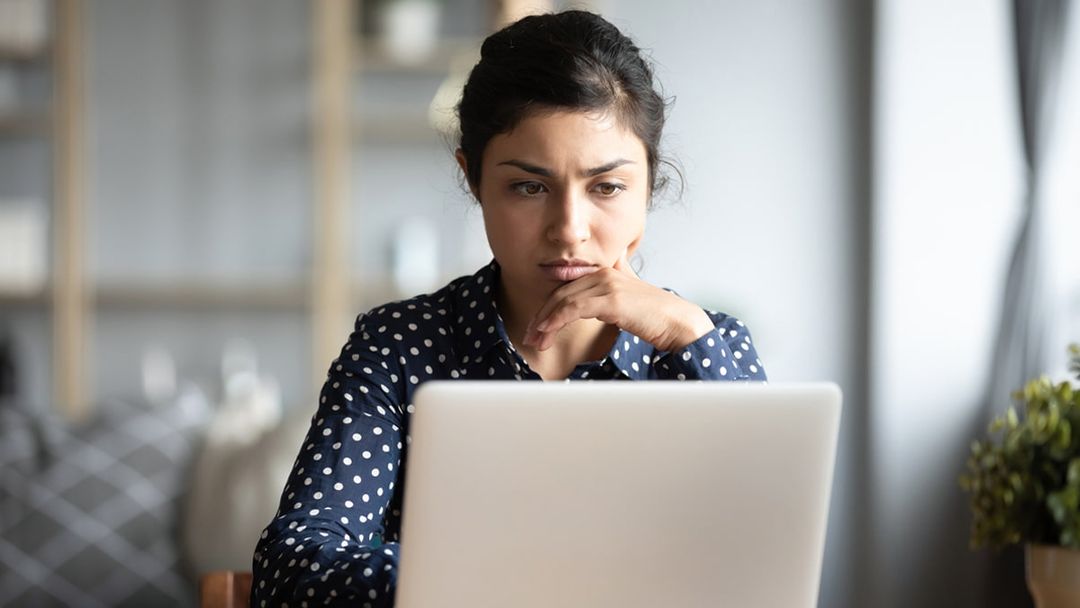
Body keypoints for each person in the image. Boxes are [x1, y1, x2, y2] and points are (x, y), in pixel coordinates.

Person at [252, 10, 766, 606]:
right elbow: (292, 574)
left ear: (649, 184)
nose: (569, 230)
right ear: (474, 180)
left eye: (607, 187)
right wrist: (515, 575)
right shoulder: (399, 345)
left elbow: (761, 569)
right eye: (530, 186)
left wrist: (688, 337)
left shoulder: (705, 344)